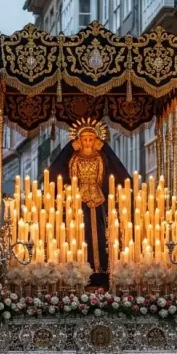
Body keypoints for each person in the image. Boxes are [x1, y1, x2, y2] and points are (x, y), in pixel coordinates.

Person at [47, 118, 130, 288]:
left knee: (99, 230)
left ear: (95, 141)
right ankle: (83, 265)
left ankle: (101, 267)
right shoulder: (75, 158)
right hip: (80, 197)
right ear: (79, 141)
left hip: (97, 196)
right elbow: (70, 173)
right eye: (84, 139)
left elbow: (102, 176)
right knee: (81, 229)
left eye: (91, 139)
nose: (87, 142)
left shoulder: (100, 158)